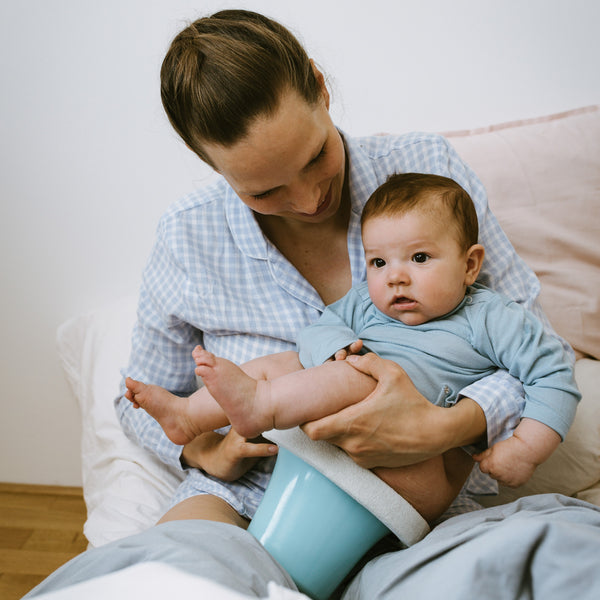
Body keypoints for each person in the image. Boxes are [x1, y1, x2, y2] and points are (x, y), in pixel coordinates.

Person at [24, 10, 598, 600]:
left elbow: (532, 342)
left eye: (314, 157)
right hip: (250, 502)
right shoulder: (188, 236)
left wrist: (448, 424)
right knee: (164, 582)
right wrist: (206, 450)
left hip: (414, 510)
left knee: (561, 554)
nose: (308, 200)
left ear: (321, 88)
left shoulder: (426, 173)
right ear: (212, 166)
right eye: (265, 190)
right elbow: (144, 400)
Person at [125, 173, 579, 508]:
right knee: (281, 363)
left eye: (419, 257)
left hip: (416, 471)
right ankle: (190, 416)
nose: (395, 276)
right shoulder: (366, 302)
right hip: (329, 463)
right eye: (378, 262)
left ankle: (260, 408)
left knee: (363, 377)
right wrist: (334, 348)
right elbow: (319, 327)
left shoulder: (491, 316)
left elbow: (554, 375)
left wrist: (525, 449)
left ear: (470, 265)